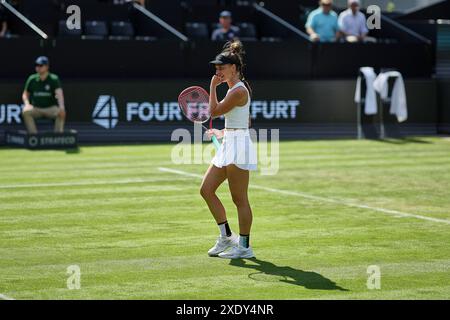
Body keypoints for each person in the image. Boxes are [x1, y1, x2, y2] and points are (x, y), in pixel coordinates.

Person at [201, 40, 257, 259]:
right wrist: (222, 133)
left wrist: (213, 86)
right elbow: (245, 122)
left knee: (239, 199)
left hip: (239, 147)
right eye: (216, 69)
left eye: (221, 68)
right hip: (230, 143)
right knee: (206, 190)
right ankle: (226, 236)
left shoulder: (237, 91)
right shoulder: (235, 89)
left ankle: (244, 247)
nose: (218, 72)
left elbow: (213, 112)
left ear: (233, 68)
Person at [22, 56, 66, 134]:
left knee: (61, 112)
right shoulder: (32, 79)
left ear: (47, 67)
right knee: (26, 111)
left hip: (50, 108)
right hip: (36, 108)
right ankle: (34, 136)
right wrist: (27, 104)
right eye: (37, 65)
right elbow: (25, 94)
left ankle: (58, 137)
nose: (38, 67)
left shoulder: (54, 79)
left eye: (41, 65)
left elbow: (59, 94)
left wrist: (61, 107)